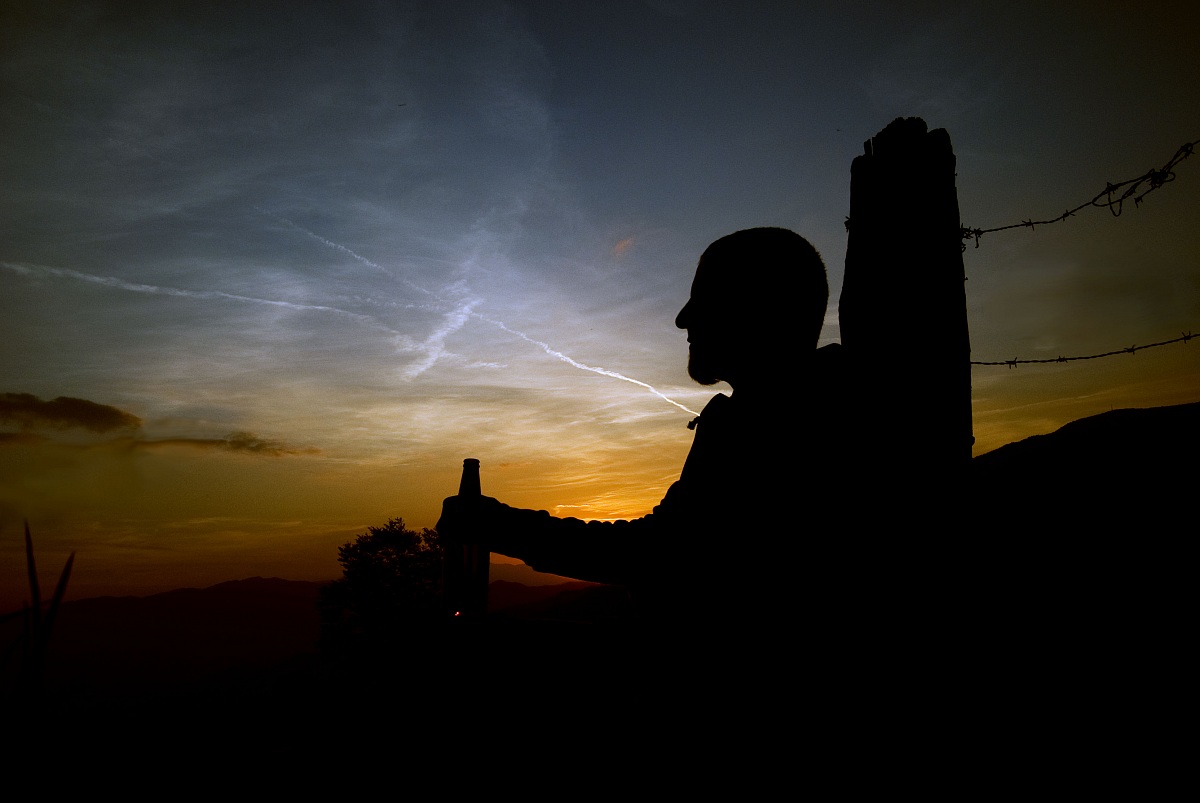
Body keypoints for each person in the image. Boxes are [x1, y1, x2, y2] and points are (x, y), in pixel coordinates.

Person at [437, 227, 847, 643]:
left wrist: (499, 526)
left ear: (756, 308)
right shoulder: (777, 411)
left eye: (703, 298)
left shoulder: (784, 427)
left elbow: (658, 554)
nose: (682, 318)